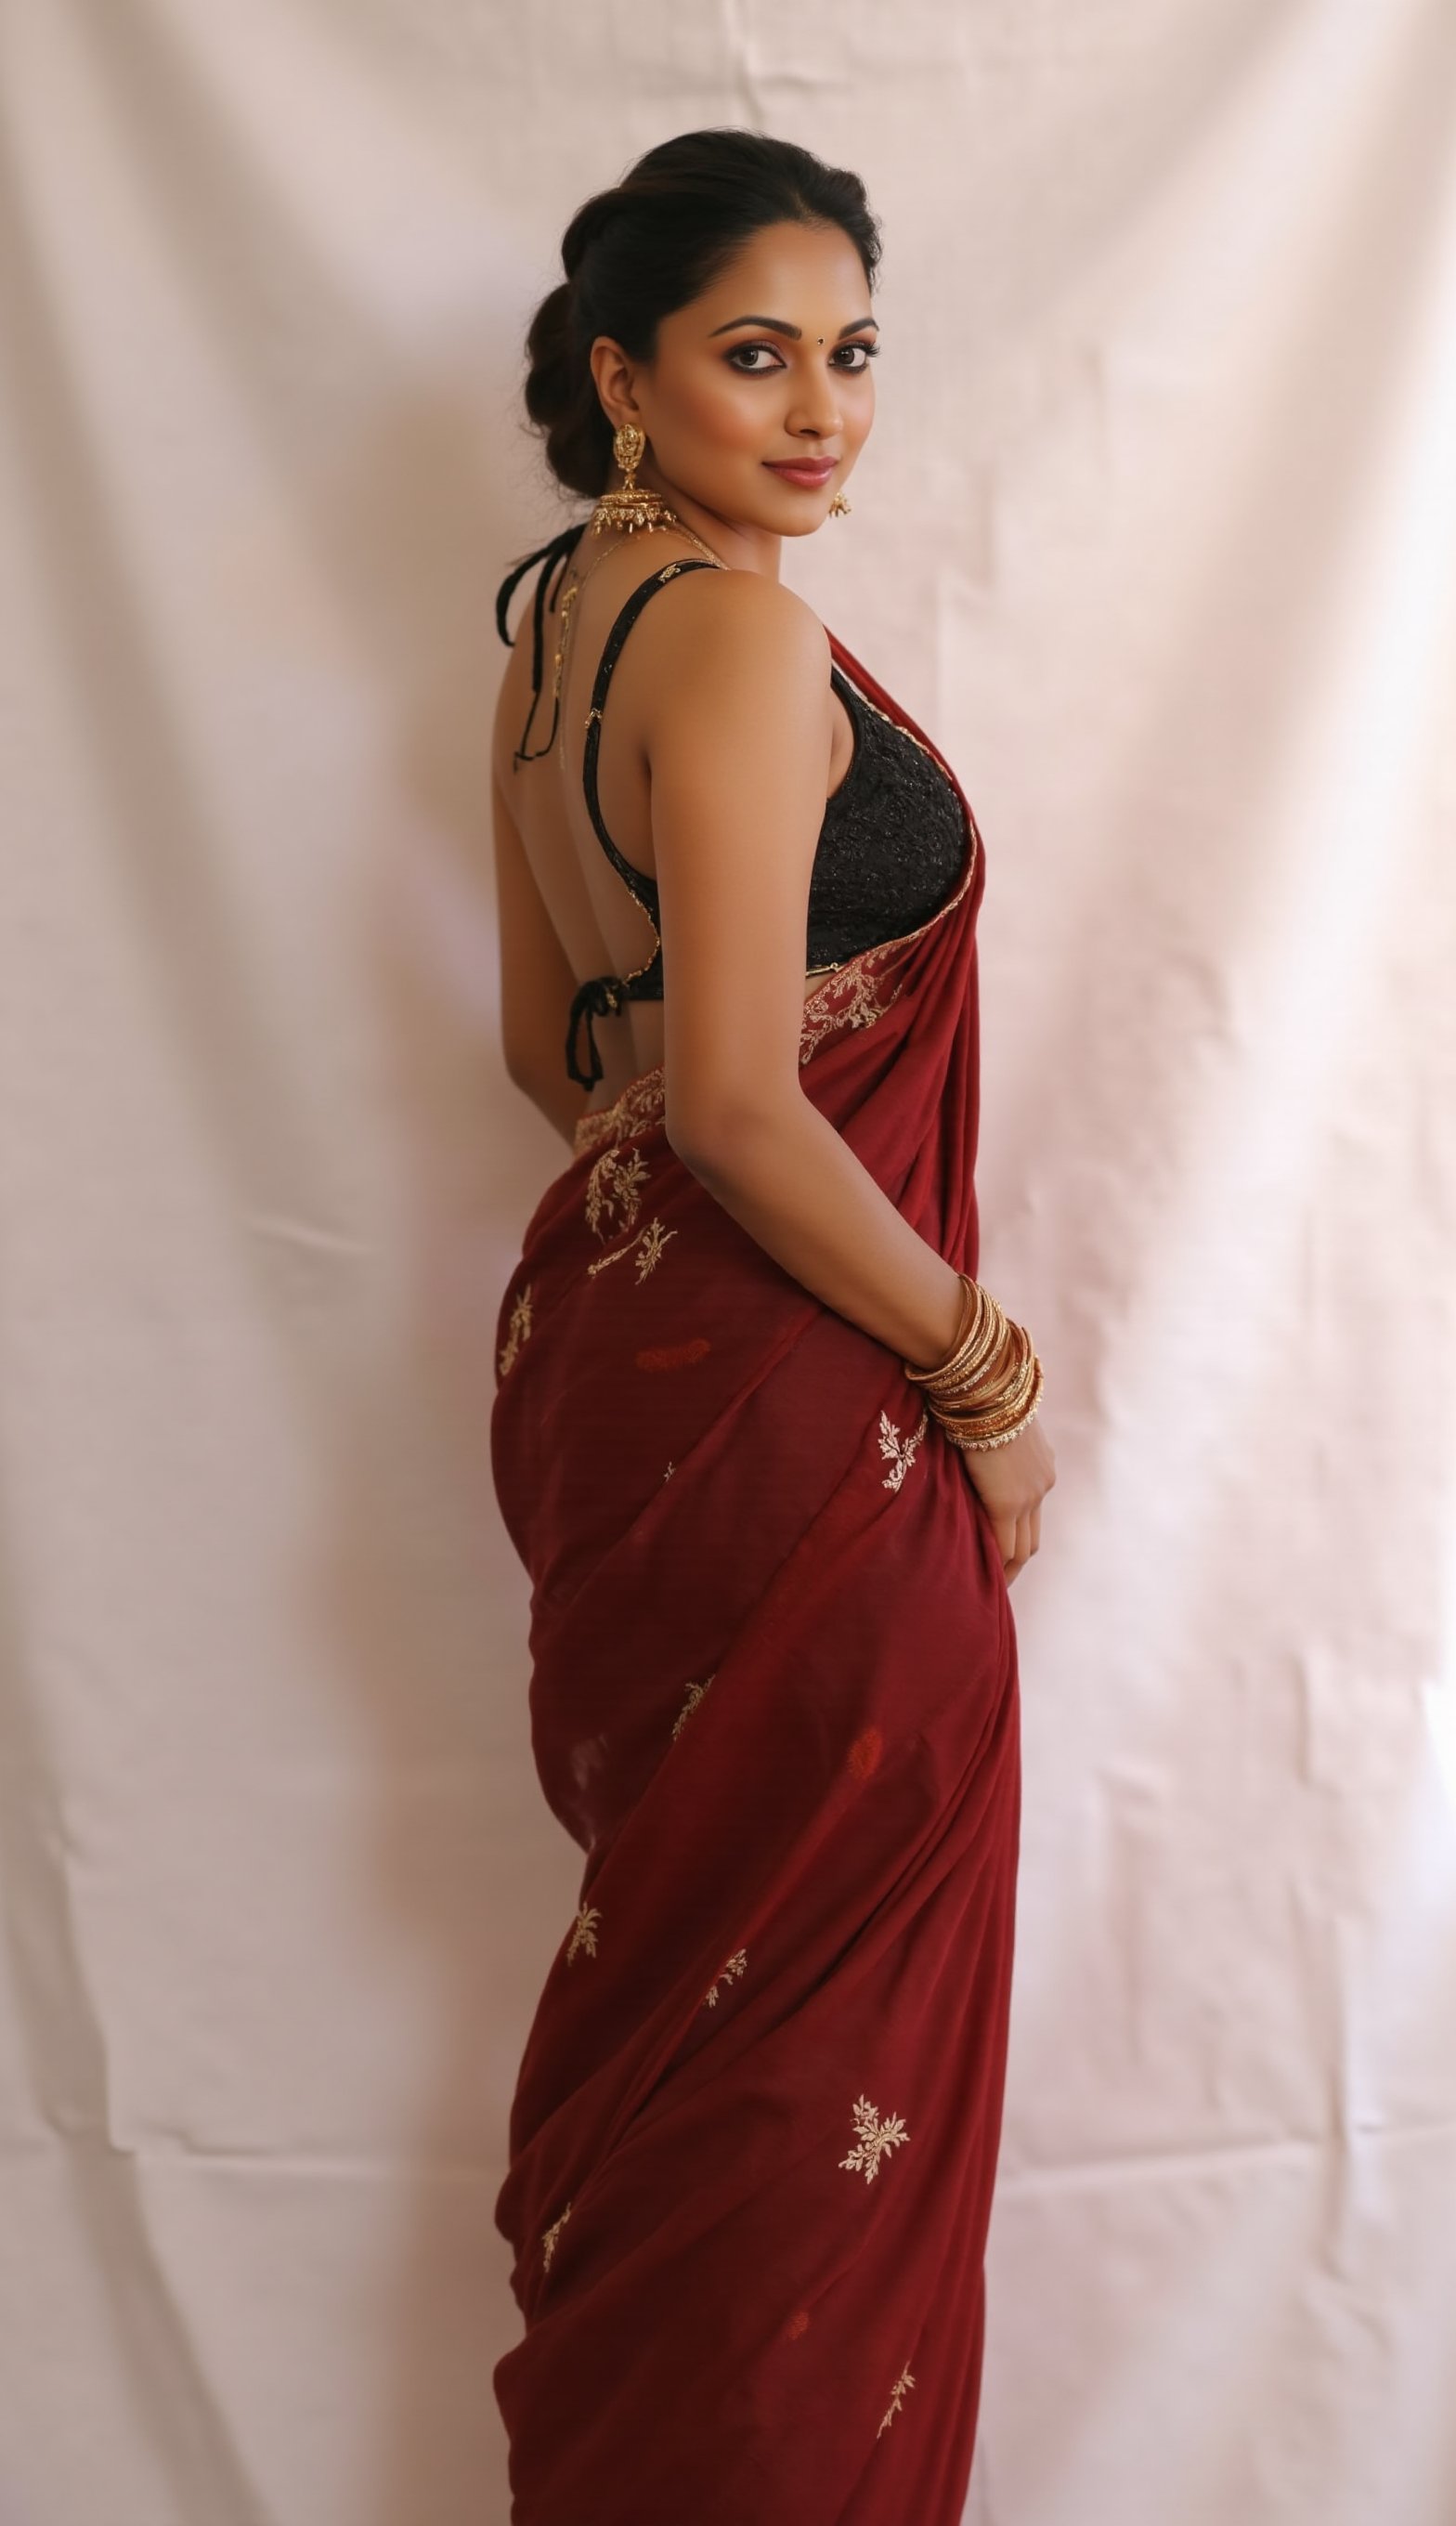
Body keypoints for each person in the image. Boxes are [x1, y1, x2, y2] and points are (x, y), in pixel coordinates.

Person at [488, 126, 1056, 2526]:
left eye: (848, 356)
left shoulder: (552, 632)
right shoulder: (724, 633)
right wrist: (984, 1378)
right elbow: (730, 1095)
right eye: (752, 357)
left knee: (709, 2056)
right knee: (805, 2107)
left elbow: (566, 1059)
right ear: (627, 378)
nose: (818, 411)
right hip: (811, 1428)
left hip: (629, 1401)